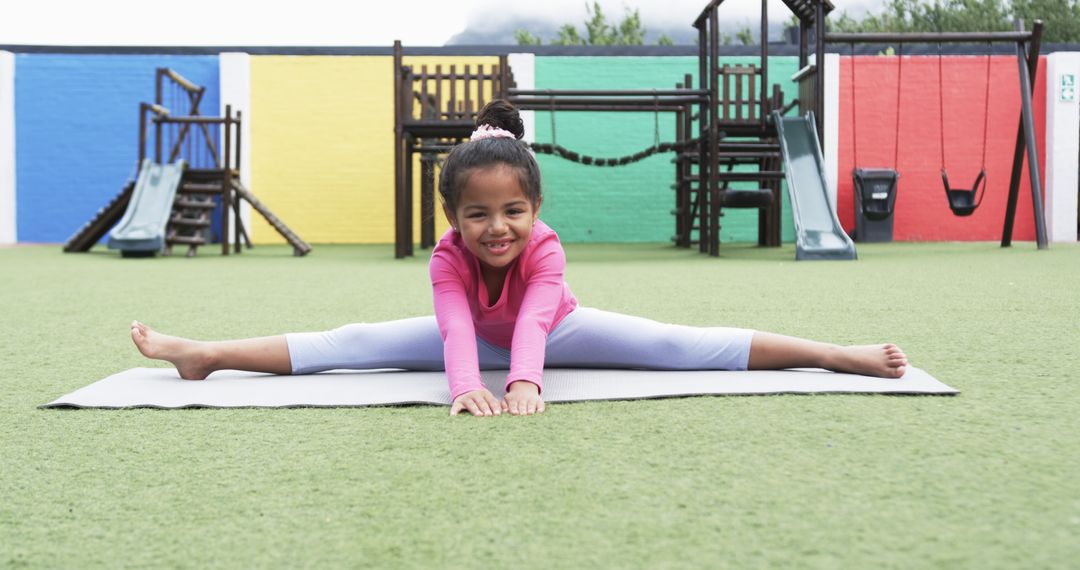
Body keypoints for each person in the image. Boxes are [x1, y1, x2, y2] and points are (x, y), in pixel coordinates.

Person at [132, 99, 908, 418]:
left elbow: (536, 318)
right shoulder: (447, 258)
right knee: (352, 341)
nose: (496, 229)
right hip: (474, 332)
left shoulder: (545, 250)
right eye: (478, 216)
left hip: (560, 331)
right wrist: (468, 387)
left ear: (535, 211)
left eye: (512, 212)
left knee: (680, 344)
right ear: (452, 217)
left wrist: (526, 379)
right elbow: (454, 328)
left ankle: (838, 353)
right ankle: (202, 355)